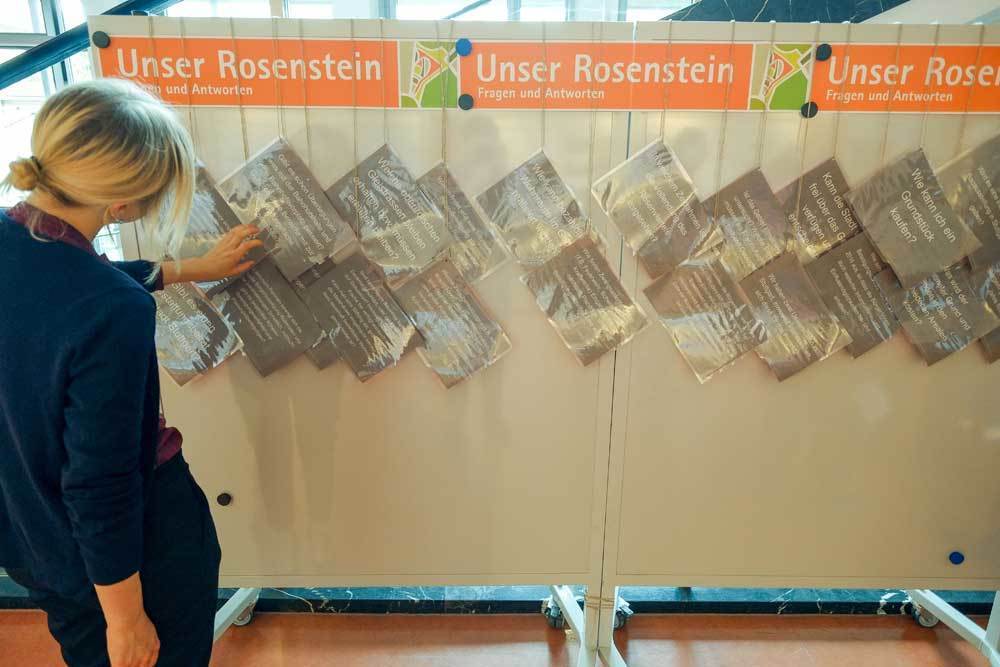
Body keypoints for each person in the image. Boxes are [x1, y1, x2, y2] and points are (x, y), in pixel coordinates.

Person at [0, 79, 262, 667]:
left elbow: (53, 291)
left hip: (36, 537)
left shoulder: (18, 240)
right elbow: (100, 480)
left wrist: (185, 268)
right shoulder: (112, 309)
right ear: (120, 205)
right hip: (136, 555)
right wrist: (126, 619)